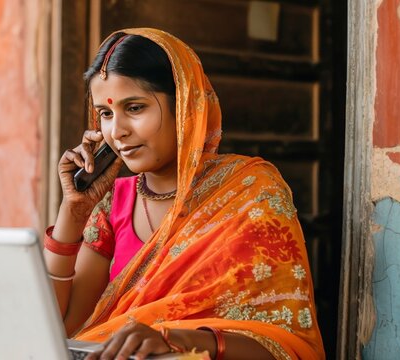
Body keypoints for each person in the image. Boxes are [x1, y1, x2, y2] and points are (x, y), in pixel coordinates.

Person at [43, 28, 325, 360]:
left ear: (185, 105)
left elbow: (281, 343)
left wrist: (176, 339)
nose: (116, 131)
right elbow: (55, 328)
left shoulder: (248, 191)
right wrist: (73, 212)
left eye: (134, 108)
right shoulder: (112, 204)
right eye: (106, 114)